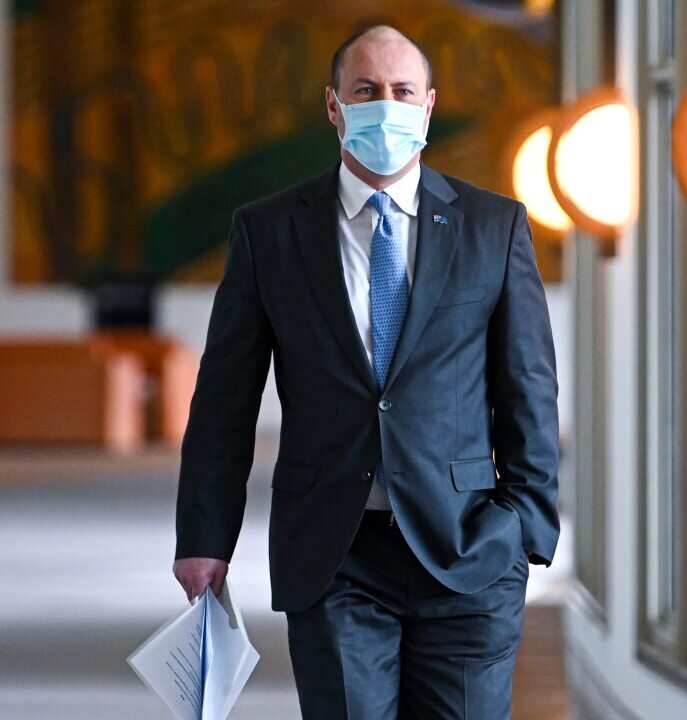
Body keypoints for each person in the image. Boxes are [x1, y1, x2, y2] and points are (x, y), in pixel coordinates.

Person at [171, 24, 560, 719]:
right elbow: (225, 400)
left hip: (467, 546)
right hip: (334, 554)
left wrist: (526, 524)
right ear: (334, 106)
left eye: (402, 91)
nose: (386, 105)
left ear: (429, 105)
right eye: (366, 90)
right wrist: (204, 539)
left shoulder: (492, 227)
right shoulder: (269, 232)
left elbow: (527, 385)